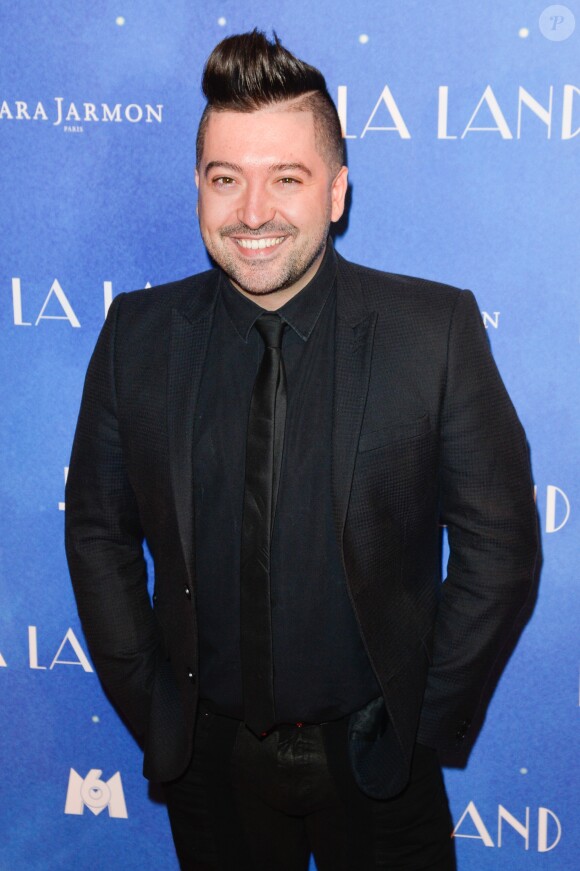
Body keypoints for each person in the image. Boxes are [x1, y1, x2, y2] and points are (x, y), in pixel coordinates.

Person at [65, 30, 539, 871]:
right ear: (201, 192)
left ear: (336, 192)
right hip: (207, 766)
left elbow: (500, 548)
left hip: (379, 763)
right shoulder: (135, 336)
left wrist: (416, 723)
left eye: (286, 177)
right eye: (226, 179)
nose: (252, 212)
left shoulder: (433, 333)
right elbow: (98, 532)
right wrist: (158, 710)